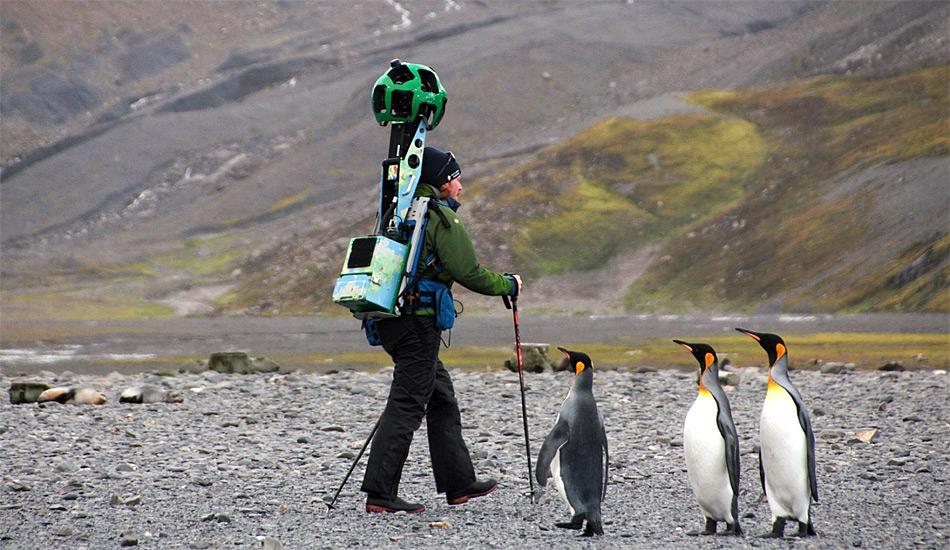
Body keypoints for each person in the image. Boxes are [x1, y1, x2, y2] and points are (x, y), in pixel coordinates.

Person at [361, 146, 522, 513]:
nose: (460, 185)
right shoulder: (439, 219)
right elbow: (469, 273)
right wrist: (508, 285)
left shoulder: (399, 211)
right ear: (441, 182)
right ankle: (381, 494)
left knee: (441, 396)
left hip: (391, 320)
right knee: (407, 404)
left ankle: (459, 483)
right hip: (417, 323)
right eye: (455, 177)